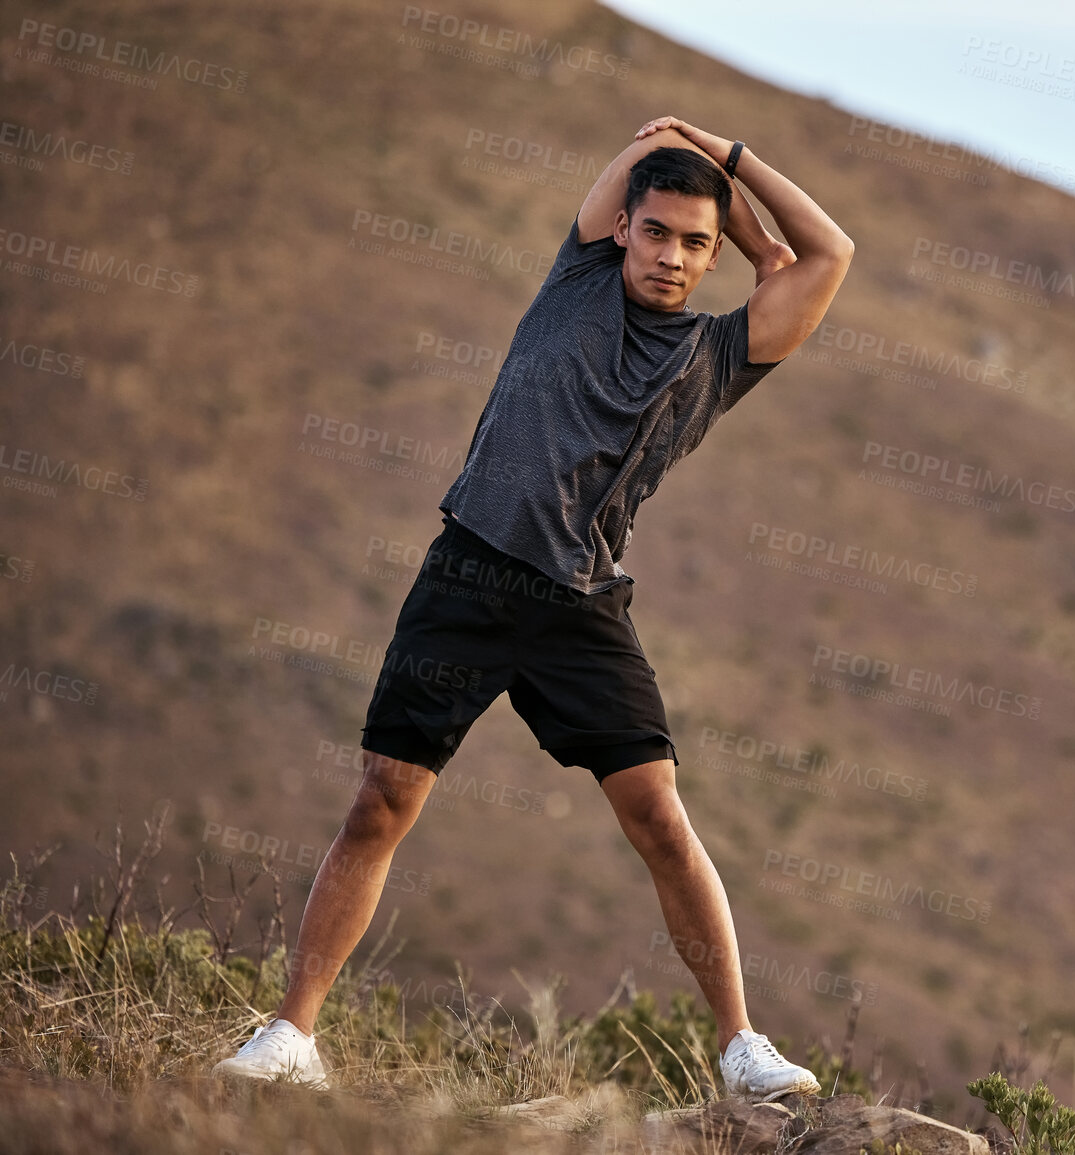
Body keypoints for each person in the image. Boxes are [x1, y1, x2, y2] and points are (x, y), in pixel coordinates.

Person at [214, 115, 855, 1100]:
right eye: (655, 232)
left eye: (695, 242)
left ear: (716, 253)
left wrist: (732, 162)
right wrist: (677, 148)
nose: (672, 256)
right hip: (469, 574)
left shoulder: (720, 357)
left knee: (661, 820)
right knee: (382, 800)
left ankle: (740, 1051)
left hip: (582, 607)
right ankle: (293, 1038)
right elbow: (626, 173)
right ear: (625, 230)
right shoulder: (574, 281)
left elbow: (826, 253)